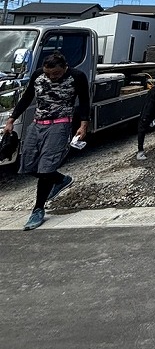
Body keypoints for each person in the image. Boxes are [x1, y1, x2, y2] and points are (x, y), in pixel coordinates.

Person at [3, 50, 90, 231]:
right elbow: (27, 97)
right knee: (27, 164)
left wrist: (83, 125)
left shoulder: (77, 77)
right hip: (37, 124)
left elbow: (84, 101)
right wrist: (11, 119)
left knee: (46, 167)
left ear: (65, 68)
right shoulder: (38, 75)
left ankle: (38, 209)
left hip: (60, 125)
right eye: (48, 74)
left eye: (56, 74)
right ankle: (60, 180)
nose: (52, 77)